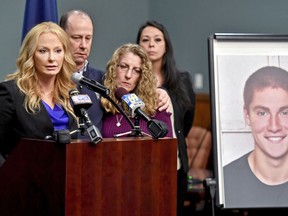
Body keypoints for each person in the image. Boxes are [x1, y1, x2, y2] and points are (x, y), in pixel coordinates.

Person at [0, 21, 78, 214]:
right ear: (30, 55)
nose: (52, 58)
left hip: (66, 194)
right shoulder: (11, 93)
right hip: (23, 197)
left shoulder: (72, 95)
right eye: (43, 51)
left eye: (58, 51)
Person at [136, 20, 196, 216]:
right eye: (145, 40)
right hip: (141, 165)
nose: (151, 45)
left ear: (166, 45)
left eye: (157, 40)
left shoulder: (182, 81)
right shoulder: (132, 80)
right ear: (138, 46)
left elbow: (186, 123)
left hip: (175, 165)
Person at [223, 66, 288, 210]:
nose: (274, 126)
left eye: (285, 112)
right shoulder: (225, 182)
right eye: (262, 113)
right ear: (247, 116)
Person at [101, 43, 173, 138]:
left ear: (142, 76)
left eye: (136, 70)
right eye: (123, 66)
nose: (128, 75)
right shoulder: (103, 101)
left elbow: (167, 147)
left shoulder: (156, 103)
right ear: (113, 69)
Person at [59, 10, 104, 131]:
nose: (84, 45)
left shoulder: (103, 79)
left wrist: (160, 92)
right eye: (76, 38)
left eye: (88, 38)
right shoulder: (50, 79)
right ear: (61, 36)